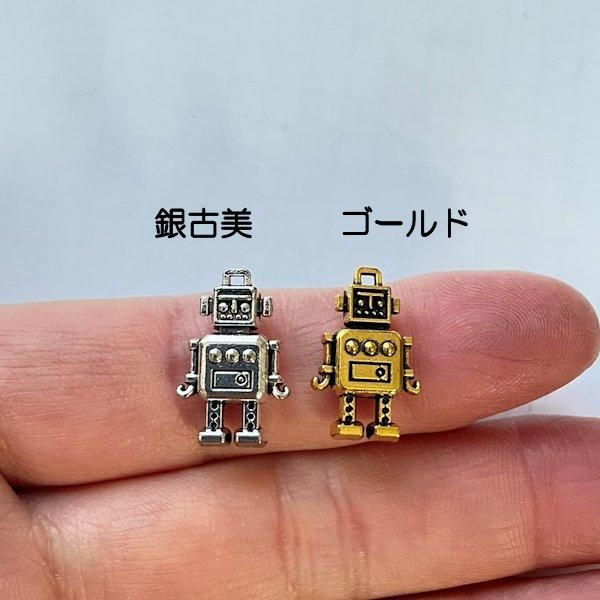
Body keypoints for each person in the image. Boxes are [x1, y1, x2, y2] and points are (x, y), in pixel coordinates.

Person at [0, 270, 598, 599]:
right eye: (230, 307)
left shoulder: (379, 338)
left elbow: (372, 363)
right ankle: (242, 427)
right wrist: (197, 383)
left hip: (351, 382)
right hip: (233, 386)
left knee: (354, 401)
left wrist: (298, 383)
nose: (236, 314)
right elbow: (216, 365)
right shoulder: (219, 342)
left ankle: (347, 421)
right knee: (235, 408)